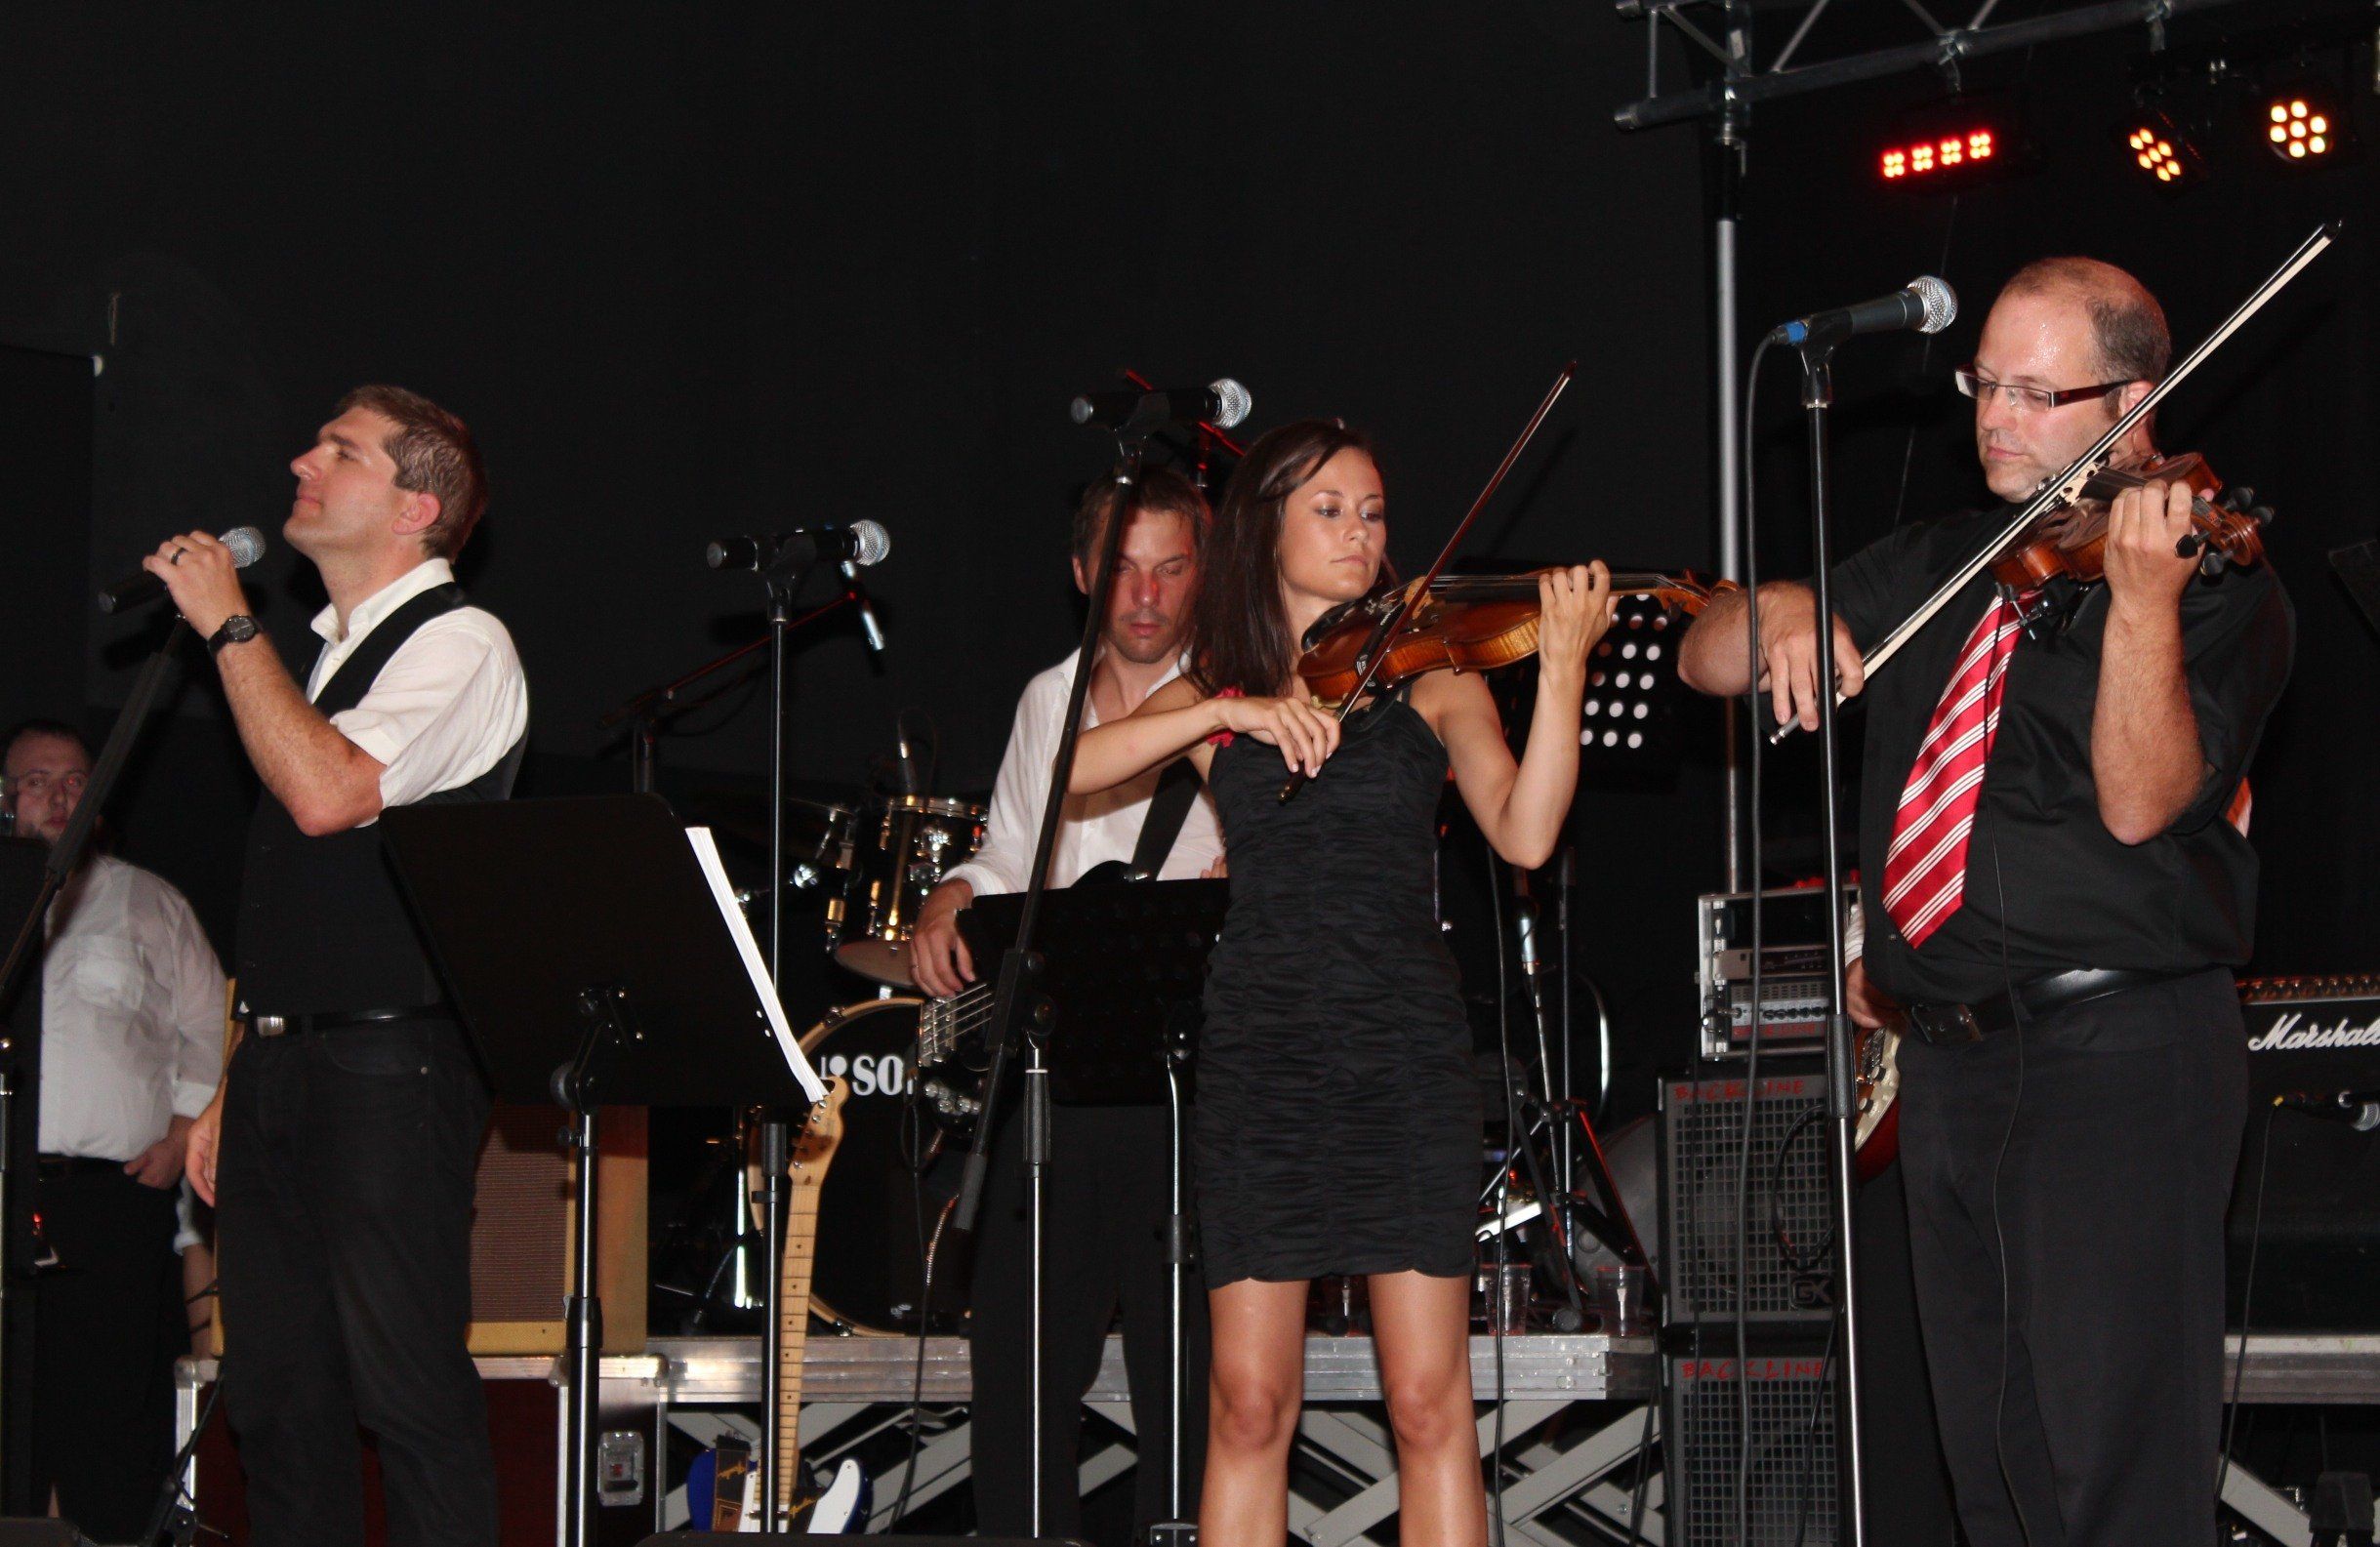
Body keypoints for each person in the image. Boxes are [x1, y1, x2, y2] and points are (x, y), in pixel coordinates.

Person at [1677, 258, 2293, 1545]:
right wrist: (1783, 611)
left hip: (2114, 1058)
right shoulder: (1949, 561)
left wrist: (2138, 605)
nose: (1993, 417)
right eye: (1981, 384)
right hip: (1947, 1069)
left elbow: (2139, 803)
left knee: (2113, 1487)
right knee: (1993, 1483)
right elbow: (1702, 651)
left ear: (2130, 402)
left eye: (2031, 392)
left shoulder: (2214, 578)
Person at [1065, 421, 1610, 1546]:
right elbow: (1069, 773)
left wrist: (1559, 671)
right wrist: (1222, 710)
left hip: (1400, 1055)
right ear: (1264, 527)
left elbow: (1523, 833)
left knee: (1426, 1403)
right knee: (1246, 1403)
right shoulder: (1215, 689)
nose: (1359, 533)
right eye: (1328, 510)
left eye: (1371, 512)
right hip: (1259, 1058)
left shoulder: (1436, 676)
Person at [154, 386, 528, 1547]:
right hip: (285, 1058)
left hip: (389, 1062)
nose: (300, 462)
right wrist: (239, 1066)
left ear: (415, 507)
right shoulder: (324, 657)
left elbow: (329, 796)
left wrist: (230, 627)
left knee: (405, 1395)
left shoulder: (462, 641)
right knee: (274, 1404)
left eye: (340, 451)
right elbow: (302, 901)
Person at [909, 467, 1223, 1542]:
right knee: (1020, 1363)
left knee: (1187, 1375)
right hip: (1058, 1076)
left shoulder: (1234, 693)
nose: (1146, 595)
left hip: (1185, 1081)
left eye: (1170, 568)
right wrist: (953, 892)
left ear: (1203, 575)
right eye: (1123, 570)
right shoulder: (1048, 696)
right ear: (1082, 574)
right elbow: (1011, 852)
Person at [5, 720, 226, 1540]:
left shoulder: (152, 902)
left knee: (110, 1423)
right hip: (3, 1192)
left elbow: (209, 1029)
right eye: (38, 780)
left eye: (77, 781)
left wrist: (180, 1134)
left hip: (111, 1199)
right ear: (5, 798)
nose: (60, 795)